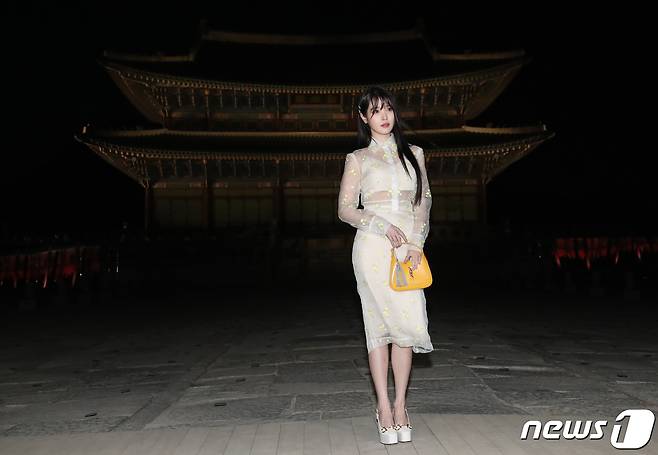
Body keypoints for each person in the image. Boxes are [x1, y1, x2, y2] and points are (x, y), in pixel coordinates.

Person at [337, 86, 433, 444]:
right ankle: (384, 407)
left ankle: (402, 405)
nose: (384, 116)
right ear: (363, 118)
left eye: (388, 108)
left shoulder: (416, 154)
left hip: (407, 249)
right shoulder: (358, 158)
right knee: (378, 328)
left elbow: (423, 203)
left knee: (406, 327)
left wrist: (415, 243)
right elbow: (345, 209)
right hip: (373, 248)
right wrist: (382, 225)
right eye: (375, 111)